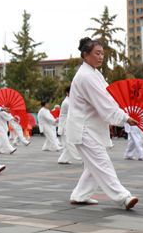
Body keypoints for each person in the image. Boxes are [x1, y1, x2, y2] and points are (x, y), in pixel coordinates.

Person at [67, 37, 138, 209]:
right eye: (97, 53)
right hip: (83, 128)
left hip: (91, 127)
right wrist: (124, 117)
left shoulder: (94, 73)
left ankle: (80, 195)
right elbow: (104, 102)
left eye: (102, 54)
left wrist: (124, 112)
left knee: (94, 164)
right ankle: (123, 197)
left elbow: (108, 97)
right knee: (101, 162)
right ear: (85, 55)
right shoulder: (86, 76)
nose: (101, 57)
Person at [57, 85, 82, 164]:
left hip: (68, 124)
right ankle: (80, 158)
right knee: (70, 143)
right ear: (67, 93)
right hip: (65, 125)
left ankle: (63, 159)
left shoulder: (70, 101)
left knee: (69, 143)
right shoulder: (66, 102)